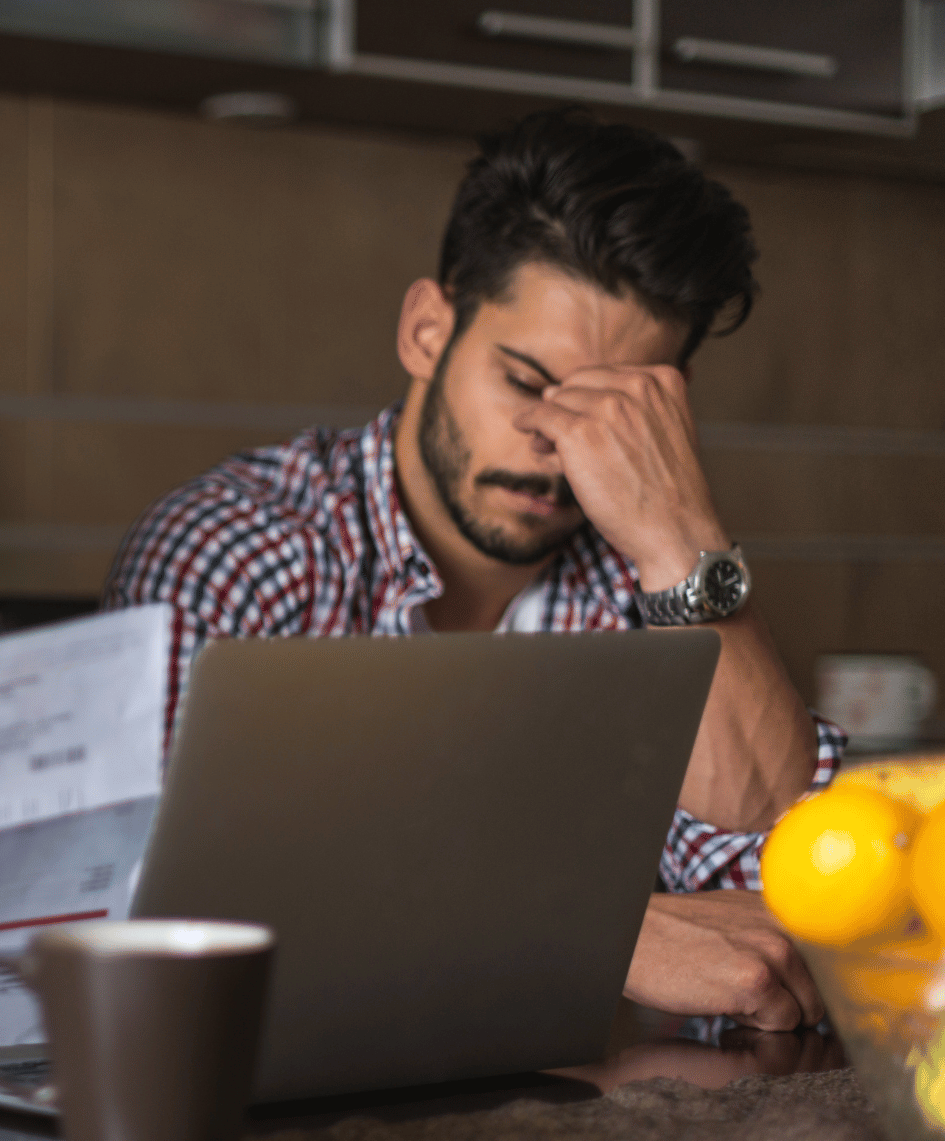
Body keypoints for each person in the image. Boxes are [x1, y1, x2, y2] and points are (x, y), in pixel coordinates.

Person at [105, 108, 845, 1033]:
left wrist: (679, 537)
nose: (555, 445)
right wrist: (601, 935)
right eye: (529, 384)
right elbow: (161, 931)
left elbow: (811, 908)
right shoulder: (242, 550)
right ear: (427, 330)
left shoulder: (650, 586)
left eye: (613, 410)